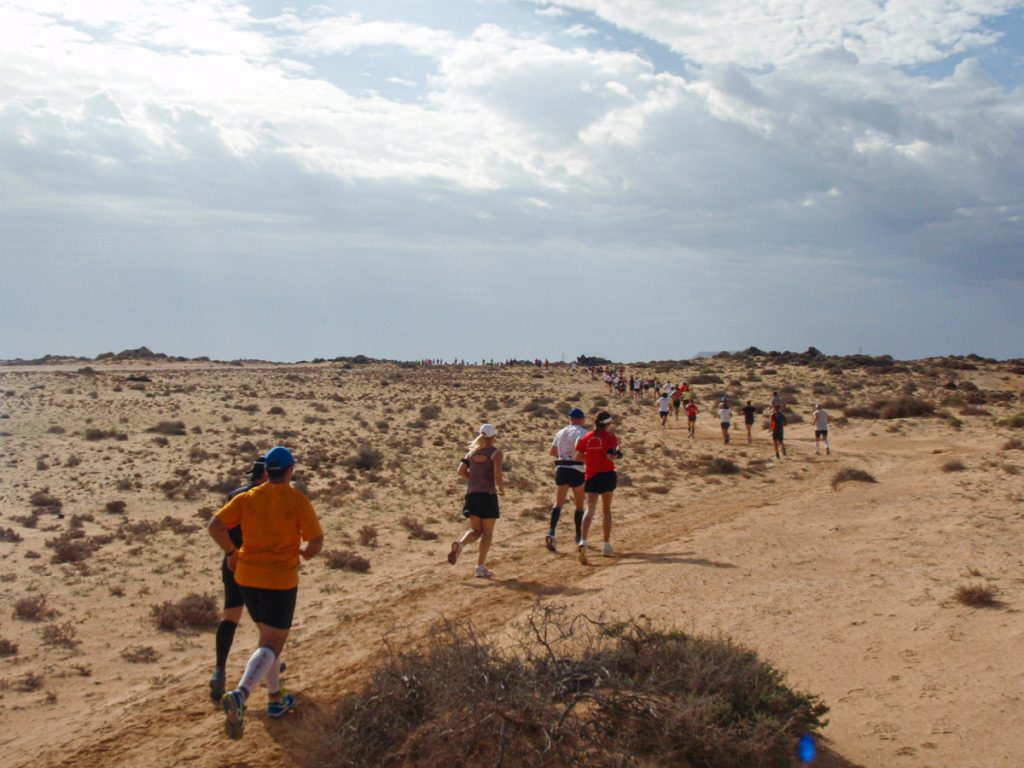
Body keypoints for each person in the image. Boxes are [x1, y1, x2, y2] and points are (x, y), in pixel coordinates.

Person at [208, 446, 324, 740]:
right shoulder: (297, 500)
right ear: (288, 472)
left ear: (266, 472)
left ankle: (275, 700)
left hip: (246, 577)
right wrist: (307, 554)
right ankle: (241, 694)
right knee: (273, 642)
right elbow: (316, 541)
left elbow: (215, 526)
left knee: (266, 638)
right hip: (279, 580)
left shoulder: (247, 497)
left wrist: (232, 552)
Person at [209, 456, 267, 703]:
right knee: (267, 624)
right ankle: (268, 668)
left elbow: (218, 526)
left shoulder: (234, 495)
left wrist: (231, 552)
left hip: (232, 563)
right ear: (266, 475)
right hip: (255, 564)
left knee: (230, 617)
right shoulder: (266, 498)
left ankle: (219, 670)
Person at [448, 424, 505, 578]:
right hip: (487, 495)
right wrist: (501, 488)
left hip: (472, 495)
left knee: (476, 530)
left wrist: (474, 479)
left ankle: (461, 544)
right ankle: (480, 566)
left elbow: (460, 471)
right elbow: (498, 475)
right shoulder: (495, 453)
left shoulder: (470, 453)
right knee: (487, 533)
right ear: (493, 437)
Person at [575, 411, 622, 563]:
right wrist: (619, 454)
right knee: (606, 510)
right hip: (607, 475)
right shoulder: (611, 437)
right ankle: (606, 544)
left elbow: (578, 457)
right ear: (607, 424)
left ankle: (583, 540)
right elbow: (610, 456)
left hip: (591, 476)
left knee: (590, 509)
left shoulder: (587, 437)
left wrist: (590, 457)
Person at [545, 408, 588, 551]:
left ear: (570, 419)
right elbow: (582, 454)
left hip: (561, 468)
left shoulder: (561, 432)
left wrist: (564, 455)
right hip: (576, 469)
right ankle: (578, 535)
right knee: (579, 505)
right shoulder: (583, 433)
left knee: (558, 503)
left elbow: (552, 452)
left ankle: (551, 531)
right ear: (581, 419)